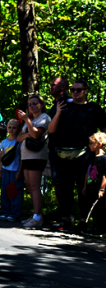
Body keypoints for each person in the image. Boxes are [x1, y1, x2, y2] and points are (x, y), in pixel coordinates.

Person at [47, 78, 106, 230]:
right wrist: (59, 113)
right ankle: (65, 219)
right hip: (62, 153)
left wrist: (101, 147)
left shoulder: (94, 108)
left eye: (78, 90)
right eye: (73, 90)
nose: (75, 92)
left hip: (85, 154)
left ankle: (83, 221)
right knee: (65, 188)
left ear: (86, 91)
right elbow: (51, 129)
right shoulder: (63, 105)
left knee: (84, 188)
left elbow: (104, 128)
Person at [16, 95, 51, 228]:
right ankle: (35, 215)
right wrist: (28, 132)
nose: (32, 106)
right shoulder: (30, 119)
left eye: (35, 103)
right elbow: (19, 138)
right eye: (30, 104)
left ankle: (38, 217)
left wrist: (28, 123)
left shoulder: (44, 118)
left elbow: (36, 134)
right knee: (30, 186)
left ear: (41, 105)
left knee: (35, 186)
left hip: (37, 156)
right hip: (26, 156)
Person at [0, 119, 23, 221]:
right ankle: (6, 212)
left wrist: (20, 171)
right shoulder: (4, 142)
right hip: (6, 170)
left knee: (14, 192)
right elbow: (2, 158)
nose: (11, 130)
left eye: (14, 128)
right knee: (5, 191)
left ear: (18, 129)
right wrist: (0, 170)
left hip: (15, 170)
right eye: (9, 127)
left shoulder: (19, 142)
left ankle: (14, 214)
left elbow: (21, 158)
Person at [82, 132, 106, 234]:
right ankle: (94, 227)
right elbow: (87, 172)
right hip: (91, 186)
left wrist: (102, 189)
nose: (89, 145)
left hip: (99, 187)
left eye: (92, 143)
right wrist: (85, 186)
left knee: (101, 208)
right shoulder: (91, 157)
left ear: (99, 144)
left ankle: (101, 228)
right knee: (93, 207)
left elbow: (105, 175)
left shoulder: (104, 159)